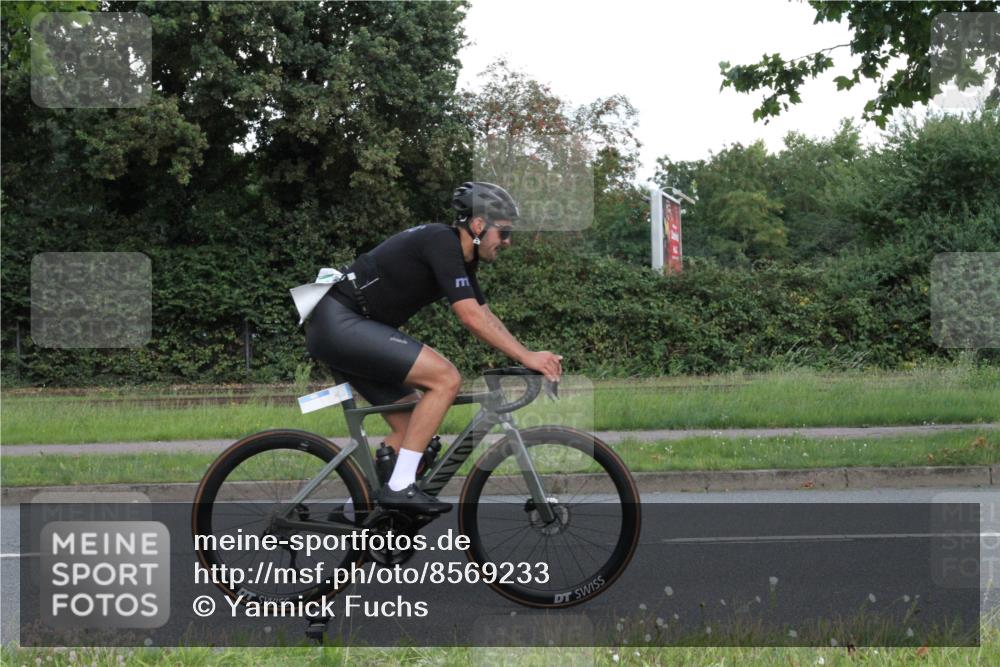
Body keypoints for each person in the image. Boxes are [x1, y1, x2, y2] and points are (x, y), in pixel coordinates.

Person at [304, 182, 563, 515]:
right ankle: (399, 487)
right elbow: (470, 317)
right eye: (505, 232)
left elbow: (485, 315)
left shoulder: (463, 260)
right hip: (340, 323)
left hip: (349, 327)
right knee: (445, 378)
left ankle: (357, 513)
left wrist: (528, 354)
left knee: (415, 431)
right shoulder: (442, 242)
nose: (508, 242)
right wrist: (526, 357)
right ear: (479, 225)